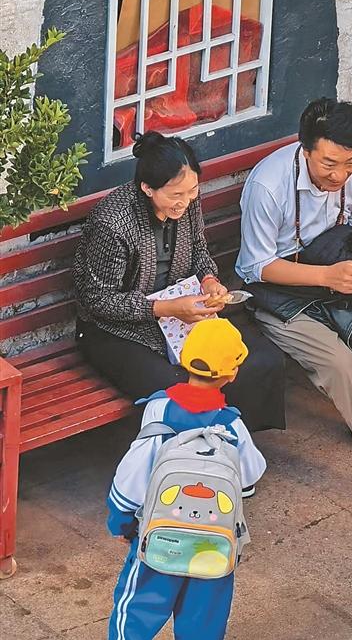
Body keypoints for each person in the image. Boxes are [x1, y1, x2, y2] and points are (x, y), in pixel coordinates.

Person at [235, 98, 352, 531]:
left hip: (339, 267)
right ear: (305, 149)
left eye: (349, 162)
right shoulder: (269, 185)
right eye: (329, 164)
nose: (340, 174)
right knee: (339, 364)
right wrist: (326, 276)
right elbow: (256, 267)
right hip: (280, 292)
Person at [84, 317, 263, 640]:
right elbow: (249, 479)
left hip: (159, 534)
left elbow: (133, 475)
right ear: (232, 374)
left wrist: (121, 520)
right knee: (206, 611)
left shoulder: (159, 410)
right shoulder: (232, 425)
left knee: (139, 604)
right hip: (214, 541)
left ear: (182, 357)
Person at [73, 131, 285, 432]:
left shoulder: (186, 202)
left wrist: (209, 280)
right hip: (115, 330)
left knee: (260, 359)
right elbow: (98, 300)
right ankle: (188, 451)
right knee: (184, 387)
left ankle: (232, 440)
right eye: (175, 195)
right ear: (147, 188)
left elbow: (198, 248)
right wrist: (167, 308)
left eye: (192, 191)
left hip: (180, 311)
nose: (185, 202)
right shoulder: (112, 223)